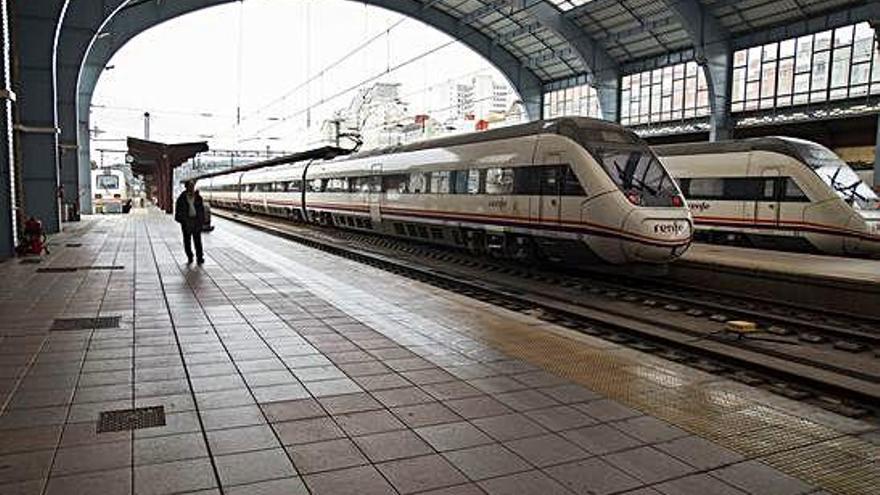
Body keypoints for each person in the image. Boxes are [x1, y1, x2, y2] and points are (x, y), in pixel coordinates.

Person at [174, 180, 206, 264]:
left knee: (198, 241)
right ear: (186, 187)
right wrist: (183, 221)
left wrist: (201, 220)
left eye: (193, 186)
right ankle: (190, 256)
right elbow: (178, 211)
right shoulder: (181, 198)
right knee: (187, 241)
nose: (192, 188)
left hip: (196, 221)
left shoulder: (198, 198)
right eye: (190, 186)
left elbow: (201, 210)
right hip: (186, 222)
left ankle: (200, 257)